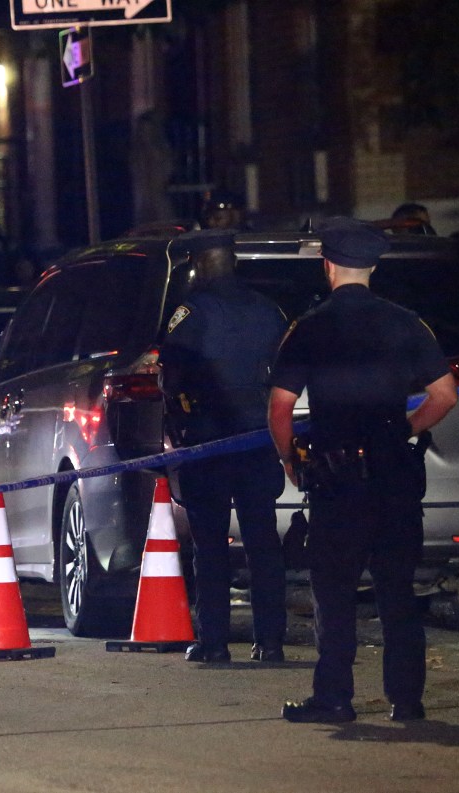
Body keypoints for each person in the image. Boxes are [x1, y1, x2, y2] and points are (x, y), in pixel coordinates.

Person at [268, 217, 457, 723]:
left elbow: (280, 408)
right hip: (395, 475)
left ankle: (334, 697)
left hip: (337, 480)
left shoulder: (310, 327)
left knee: (334, 592)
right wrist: (405, 429)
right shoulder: (407, 323)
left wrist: (289, 459)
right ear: (373, 268)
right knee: (397, 591)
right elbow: (445, 395)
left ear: (327, 265)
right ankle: (407, 699)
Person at [158, 229, 289, 663]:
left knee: (210, 546)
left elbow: (172, 374)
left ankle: (214, 642)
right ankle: (270, 641)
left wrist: (181, 423)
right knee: (263, 543)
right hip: (257, 440)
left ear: (199, 264)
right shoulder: (268, 310)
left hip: (208, 444)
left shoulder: (190, 311)